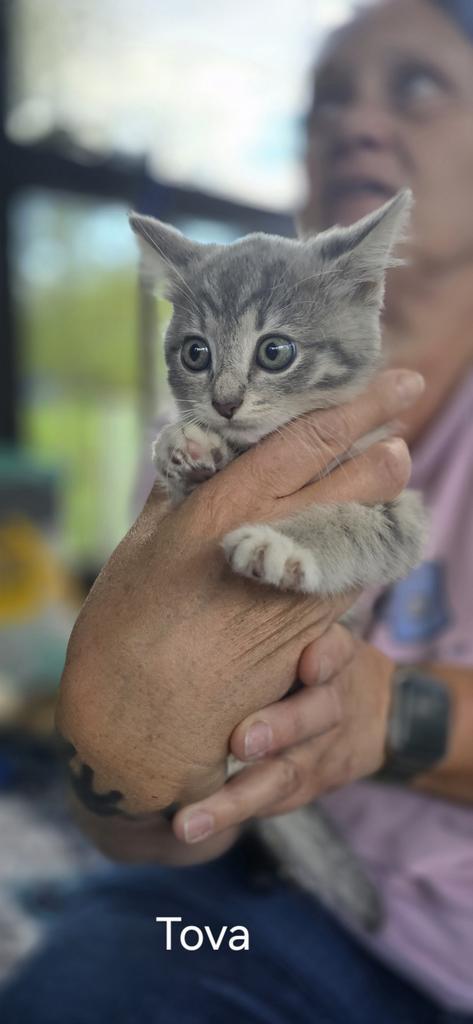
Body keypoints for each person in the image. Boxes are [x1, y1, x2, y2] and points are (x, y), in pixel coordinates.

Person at [1, 0, 472, 1020]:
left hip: (439, 944)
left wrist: (375, 713)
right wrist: (122, 772)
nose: (354, 121)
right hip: (218, 887)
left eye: (416, 83)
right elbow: (144, 815)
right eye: (323, 100)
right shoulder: (198, 447)